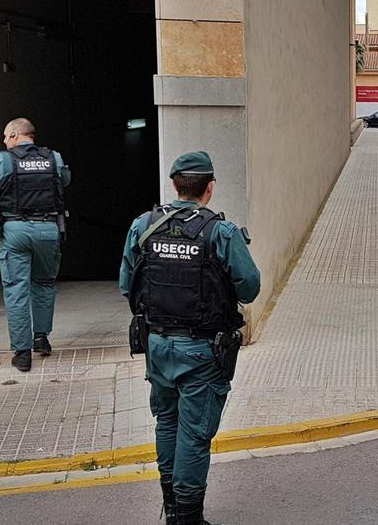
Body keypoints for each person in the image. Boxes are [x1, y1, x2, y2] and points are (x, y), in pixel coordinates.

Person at [119, 151, 260, 525]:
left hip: (157, 346)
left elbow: (126, 285)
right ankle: (188, 516)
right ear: (209, 187)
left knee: (167, 423)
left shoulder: (144, 225)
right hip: (202, 349)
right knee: (195, 434)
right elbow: (250, 289)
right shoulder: (221, 232)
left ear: (174, 184)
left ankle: (172, 507)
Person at [0, 118, 71, 373]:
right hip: (49, 229)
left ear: (15, 134)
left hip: (15, 231)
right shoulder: (54, 158)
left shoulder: (1, 160)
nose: (4, 142)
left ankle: (22, 353)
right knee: (44, 284)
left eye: (6, 136)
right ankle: (41, 338)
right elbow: (65, 181)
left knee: (16, 289)